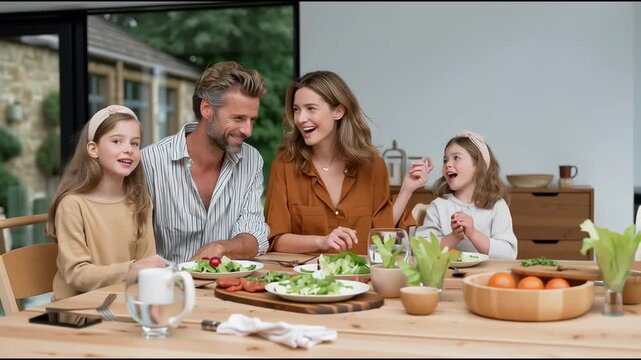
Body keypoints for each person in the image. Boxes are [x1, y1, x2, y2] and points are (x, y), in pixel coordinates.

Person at [264, 70, 433, 255]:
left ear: (338, 111)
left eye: (311, 108)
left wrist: (407, 190)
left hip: (361, 280)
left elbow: (382, 232)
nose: (301, 119)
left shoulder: (373, 166)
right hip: (306, 280)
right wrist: (322, 241)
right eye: (296, 110)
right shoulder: (284, 166)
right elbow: (276, 239)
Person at [141, 61, 270, 264]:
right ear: (207, 109)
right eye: (238, 118)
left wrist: (220, 248)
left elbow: (254, 235)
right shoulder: (150, 162)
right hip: (167, 290)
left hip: (228, 289)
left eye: (252, 120)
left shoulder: (251, 160)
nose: (248, 131)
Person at [46, 105, 166, 301]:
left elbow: (146, 264)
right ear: (93, 149)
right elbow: (77, 274)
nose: (128, 149)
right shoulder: (72, 205)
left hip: (123, 303)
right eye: (117, 141)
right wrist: (132, 269)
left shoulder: (141, 202)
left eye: (135, 143)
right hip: (78, 311)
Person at [415, 130, 517, 259]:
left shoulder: (497, 206)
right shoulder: (439, 206)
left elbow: (509, 254)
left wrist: (473, 234)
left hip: (486, 276)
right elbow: (421, 248)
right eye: (445, 160)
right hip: (448, 275)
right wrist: (454, 237)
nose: (448, 164)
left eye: (456, 158)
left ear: (479, 166)